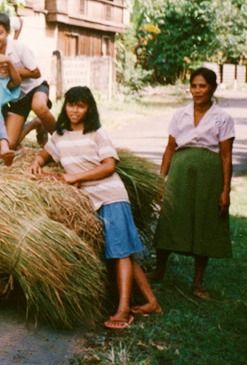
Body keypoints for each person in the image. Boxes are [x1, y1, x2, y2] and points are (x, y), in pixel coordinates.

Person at [29, 86, 161, 329]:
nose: (75, 110)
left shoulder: (96, 133)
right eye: (71, 104)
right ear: (64, 106)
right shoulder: (59, 135)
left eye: (81, 106)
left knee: (119, 253)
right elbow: (44, 154)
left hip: (110, 196)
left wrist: (74, 176)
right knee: (122, 251)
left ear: (89, 108)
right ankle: (151, 302)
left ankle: (122, 311)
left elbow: (109, 166)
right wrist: (37, 162)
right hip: (89, 201)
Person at [149, 67, 234, 300]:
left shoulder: (221, 117)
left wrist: (225, 190)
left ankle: (197, 283)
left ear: (213, 88)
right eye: (194, 86)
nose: (197, 91)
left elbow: (226, 156)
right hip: (181, 170)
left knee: (205, 222)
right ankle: (159, 270)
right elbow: (170, 148)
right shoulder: (181, 115)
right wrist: (160, 180)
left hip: (209, 174)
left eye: (203, 86)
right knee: (171, 217)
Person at [0, 11, 54, 148]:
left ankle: (60, 141)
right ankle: (35, 123)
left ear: (7, 32)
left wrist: (11, 67)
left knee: (39, 106)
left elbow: (36, 73)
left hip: (35, 87)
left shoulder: (18, 47)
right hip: (16, 97)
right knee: (9, 143)